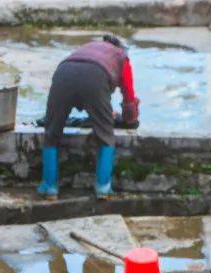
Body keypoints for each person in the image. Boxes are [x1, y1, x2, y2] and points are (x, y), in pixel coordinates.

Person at [38, 34, 140, 200]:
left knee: (51, 132)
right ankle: (103, 188)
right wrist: (130, 118)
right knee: (106, 137)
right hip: (96, 77)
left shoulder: (88, 47)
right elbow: (128, 98)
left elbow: (79, 83)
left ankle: (50, 187)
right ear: (120, 47)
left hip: (63, 72)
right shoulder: (122, 57)